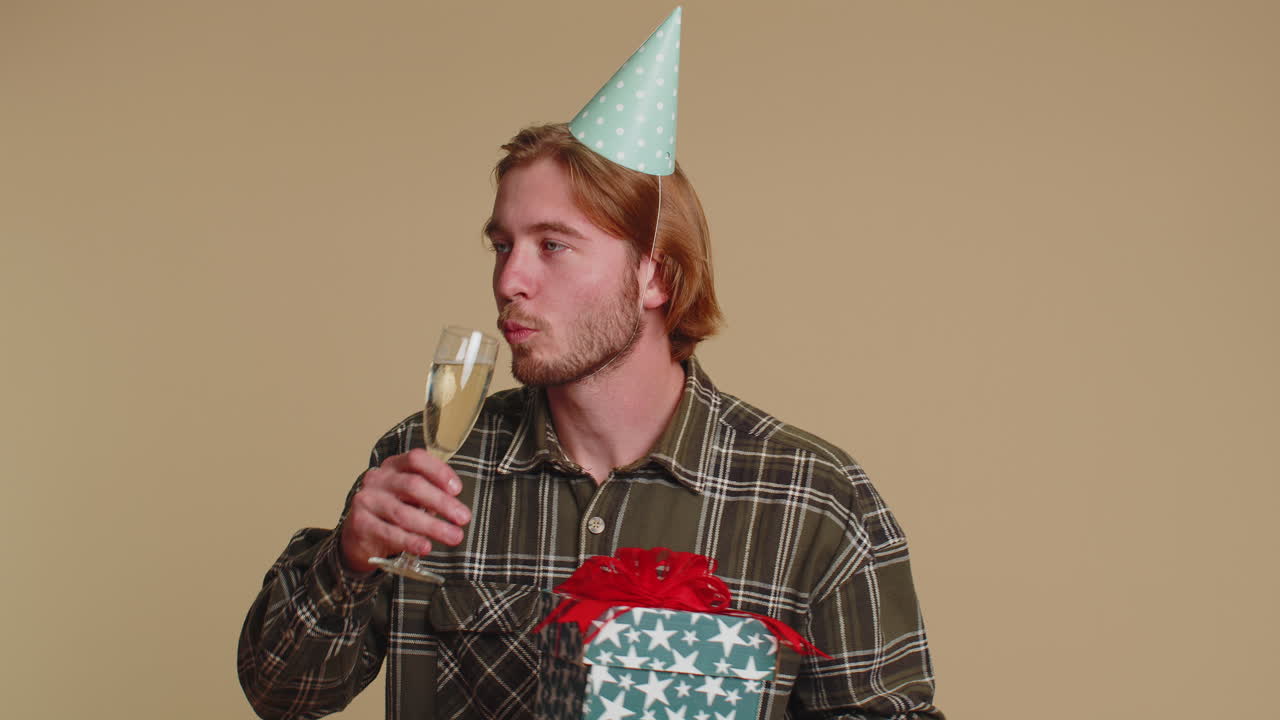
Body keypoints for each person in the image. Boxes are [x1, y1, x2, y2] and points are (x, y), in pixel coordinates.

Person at [239, 9, 942, 720]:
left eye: (552, 244)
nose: (510, 280)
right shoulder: (426, 471)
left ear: (655, 278)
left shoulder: (814, 500)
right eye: (502, 245)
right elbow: (282, 691)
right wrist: (349, 558)